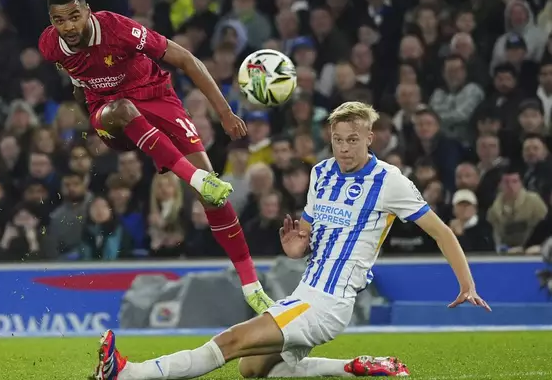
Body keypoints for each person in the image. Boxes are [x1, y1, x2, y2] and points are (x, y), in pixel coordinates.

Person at [90, 102, 492, 379]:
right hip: (305, 292)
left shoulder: (390, 181)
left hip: (329, 302)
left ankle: (129, 372)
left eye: (353, 139)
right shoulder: (321, 173)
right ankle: (355, 367)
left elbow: (441, 231)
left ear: (370, 137)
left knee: (230, 342)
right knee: (251, 370)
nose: (344, 147)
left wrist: (467, 283)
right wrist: (298, 248)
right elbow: (309, 235)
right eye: (338, 139)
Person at [38, 0, 272, 312]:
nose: (67, 26)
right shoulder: (50, 45)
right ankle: (195, 177)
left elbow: (186, 59)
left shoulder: (118, 29)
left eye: (74, 17)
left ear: (88, 11)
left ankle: (251, 285)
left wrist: (225, 113)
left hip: (156, 97)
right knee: (122, 109)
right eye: (58, 20)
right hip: (110, 111)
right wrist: (92, 121)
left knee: (213, 197)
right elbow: (79, 82)